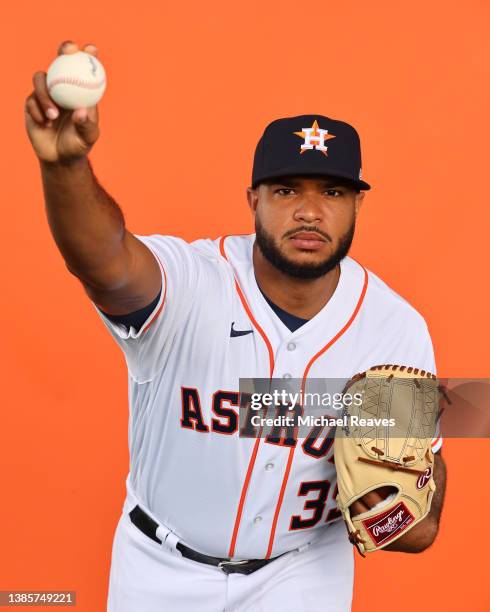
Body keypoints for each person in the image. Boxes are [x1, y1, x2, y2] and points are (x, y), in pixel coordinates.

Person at [25, 41, 446, 612]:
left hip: (303, 573)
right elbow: (105, 263)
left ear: (355, 207)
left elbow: (422, 517)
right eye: (286, 189)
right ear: (252, 199)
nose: (309, 211)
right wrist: (66, 165)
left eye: (332, 192)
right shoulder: (194, 283)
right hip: (159, 568)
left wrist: (394, 512)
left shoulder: (394, 328)